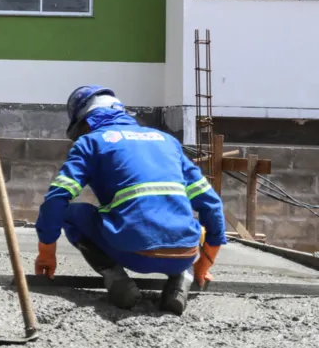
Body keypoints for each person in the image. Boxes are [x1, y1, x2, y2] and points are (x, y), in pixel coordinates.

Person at [33, 85, 227, 315]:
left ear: (85, 122)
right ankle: (181, 277)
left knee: (71, 214)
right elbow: (211, 204)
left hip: (131, 253)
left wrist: (46, 253)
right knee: (188, 226)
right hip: (184, 253)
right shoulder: (167, 141)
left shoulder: (91, 142)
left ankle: (116, 279)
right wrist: (203, 264)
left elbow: (57, 199)